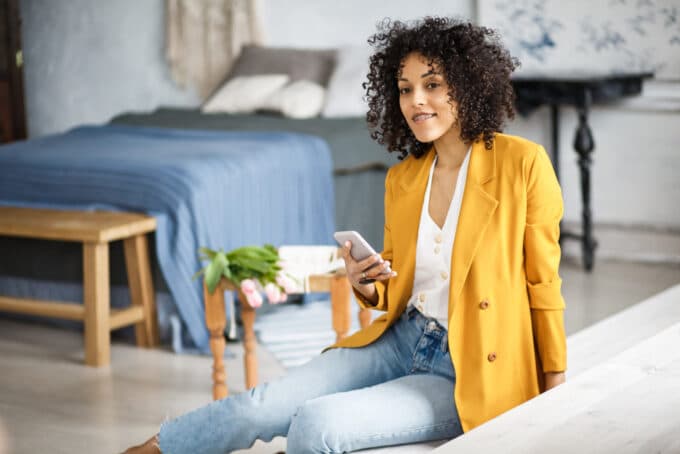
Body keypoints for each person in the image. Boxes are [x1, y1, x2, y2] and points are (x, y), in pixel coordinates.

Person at [126, 16, 566, 454]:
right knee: (258, 407)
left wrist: (555, 388)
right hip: (404, 338)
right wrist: (364, 281)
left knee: (315, 424)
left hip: (470, 369)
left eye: (432, 85)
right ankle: (151, 449)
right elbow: (394, 285)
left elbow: (543, 285)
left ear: (468, 85)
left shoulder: (522, 164)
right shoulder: (404, 179)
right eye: (405, 88)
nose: (416, 100)